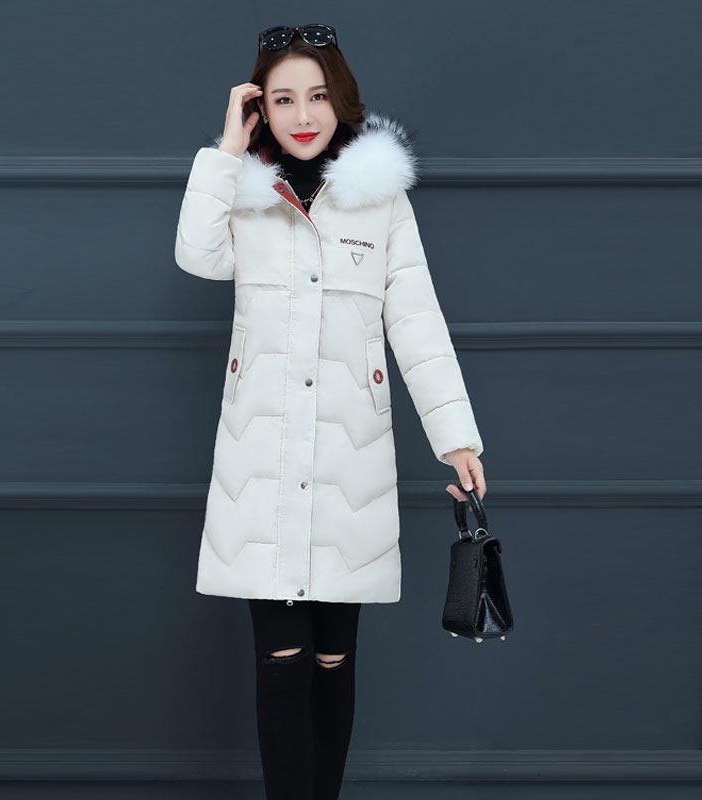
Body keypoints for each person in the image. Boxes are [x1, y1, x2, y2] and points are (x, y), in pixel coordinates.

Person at [175, 23, 488, 800]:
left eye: (317, 96)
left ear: (340, 101)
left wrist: (456, 438)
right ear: (259, 109)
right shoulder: (245, 193)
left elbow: (416, 321)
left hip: (351, 465)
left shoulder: (380, 201)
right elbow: (197, 255)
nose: (303, 114)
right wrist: (225, 151)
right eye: (282, 99)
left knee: (331, 660)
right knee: (280, 661)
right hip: (263, 466)